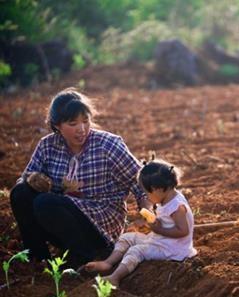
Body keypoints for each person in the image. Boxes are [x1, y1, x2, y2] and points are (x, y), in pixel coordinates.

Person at [9, 88, 151, 267]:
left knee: (44, 203)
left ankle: (86, 256)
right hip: (60, 218)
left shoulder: (107, 144)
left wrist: (147, 211)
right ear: (57, 125)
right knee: (20, 193)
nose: (81, 129)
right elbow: (25, 178)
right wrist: (31, 179)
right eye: (72, 123)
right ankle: (38, 258)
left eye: (86, 121)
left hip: (100, 223)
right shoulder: (47, 146)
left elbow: (139, 180)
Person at [84, 159, 197, 286]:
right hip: (161, 240)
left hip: (172, 249)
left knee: (137, 251)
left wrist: (158, 229)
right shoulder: (165, 199)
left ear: (157, 189)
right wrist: (154, 223)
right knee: (127, 238)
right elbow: (166, 222)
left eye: (146, 193)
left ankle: (115, 277)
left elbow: (183, 231)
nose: (146, 197)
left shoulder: (176, 206)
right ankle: (108, 263)